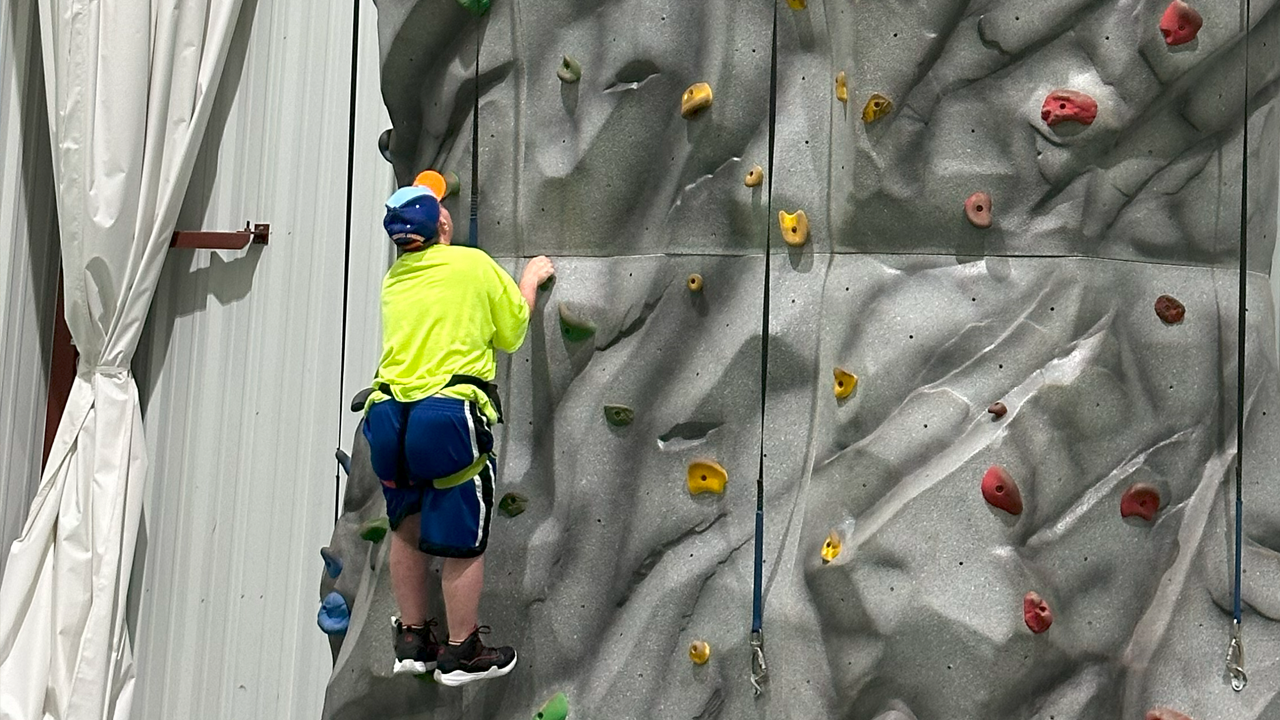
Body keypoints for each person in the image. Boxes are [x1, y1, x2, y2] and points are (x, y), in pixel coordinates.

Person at [361, 170, 554, 687]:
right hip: (444, 415)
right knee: (461, 536)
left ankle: (413, 637)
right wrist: (530, 279)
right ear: (443, 221)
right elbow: (512, 330)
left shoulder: (395, 280)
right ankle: (460, 648)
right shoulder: (471, 265)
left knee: (407, 524)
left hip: (387, 417)